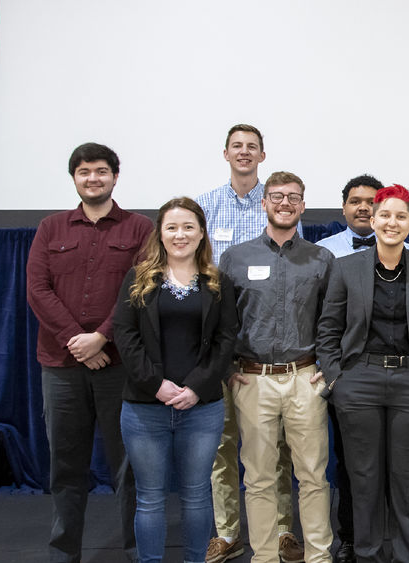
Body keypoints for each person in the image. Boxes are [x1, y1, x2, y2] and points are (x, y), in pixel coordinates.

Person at [316, 185, 409, 563]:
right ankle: (368, 553)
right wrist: (335, 380)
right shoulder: (345, 269)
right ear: (373, 220)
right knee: (363, 477)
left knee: (406, 477)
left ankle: (407, 553)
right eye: (385, 215)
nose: (392, 223)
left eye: (400, 217)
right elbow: (328, 331)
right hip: (358, 381)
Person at [26, 142, 151, 562]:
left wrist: (102, 336)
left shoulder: (139, 229)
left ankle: (137, 550)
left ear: (115, 176)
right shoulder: (50, 228)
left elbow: (143, 289)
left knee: (128, 467)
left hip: (119, 366)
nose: (93, 178)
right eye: (84, 172)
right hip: (60, 366)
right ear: (74, 178)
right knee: (66, 466)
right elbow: (37, 290)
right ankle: (64, 552)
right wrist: (76, 342)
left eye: (101, 171)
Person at [195, 124, 301, 563]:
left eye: (251, 147)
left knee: (272, 448)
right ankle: (227, 532)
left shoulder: (277, 205)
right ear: (225, 154)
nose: (244, 153)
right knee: (223, 445)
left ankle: (280, 533)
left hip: (263, 350)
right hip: (215, 345)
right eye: (236, 146)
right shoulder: (204, 206)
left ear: (262, 155)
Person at [113, 198, 238, 563]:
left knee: (197, 494)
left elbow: (226, 339)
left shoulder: (218, 282)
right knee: (150, 496)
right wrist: (157, 384)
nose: (180, 234)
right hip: (144, 407)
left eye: (188, 227)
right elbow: (125, 335)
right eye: (172, 227)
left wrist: (196, 387)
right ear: (160, 234)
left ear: (201, 233)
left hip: (202, 408)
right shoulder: (138, 278)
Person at [219, 171, 334, 563]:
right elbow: (222, 322)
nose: (285, 203)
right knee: (259, 479)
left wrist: (328, 369)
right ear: (264, 203)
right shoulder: (235, 258)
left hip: (306, 378)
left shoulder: (322, 259)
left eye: (293, 198)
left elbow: (332, 321)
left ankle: (319, 556)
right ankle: (264, 557)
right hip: (252, 380)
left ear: (302, 206)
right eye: (277, 196)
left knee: (314, 477)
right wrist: (228, 368)